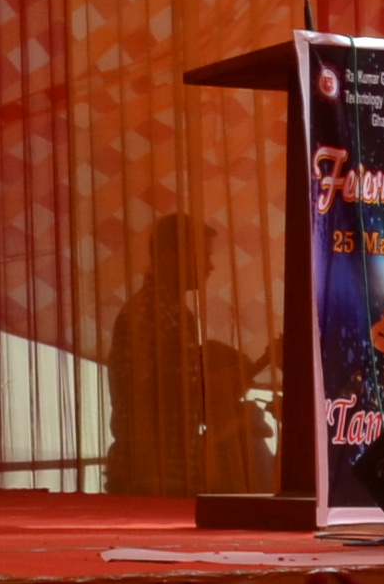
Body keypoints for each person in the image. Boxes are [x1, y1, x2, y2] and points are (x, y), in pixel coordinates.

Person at [102, 212, 268, 496]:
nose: (210, 266)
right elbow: (142, 395)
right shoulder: (147, 312)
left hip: (174, 470)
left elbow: (179, 392)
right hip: (152, 474)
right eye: (203, 256)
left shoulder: (177, 313)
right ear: (170, 256)